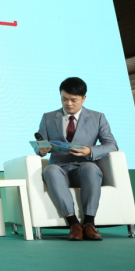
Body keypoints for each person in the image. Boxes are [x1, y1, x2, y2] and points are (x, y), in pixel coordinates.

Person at [35, 77, 118, 241]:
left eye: (73, 100)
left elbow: (112, 145)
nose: (68, 104)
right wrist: (41, 149)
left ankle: (89, 223)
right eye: (64, 99)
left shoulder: (98, 117)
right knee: (50, 170)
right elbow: (40, 145)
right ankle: (73, 224)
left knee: (90, 168)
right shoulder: (48, 117)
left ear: (83, 98)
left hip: (84, 168)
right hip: (59, 169)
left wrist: (89, 150)